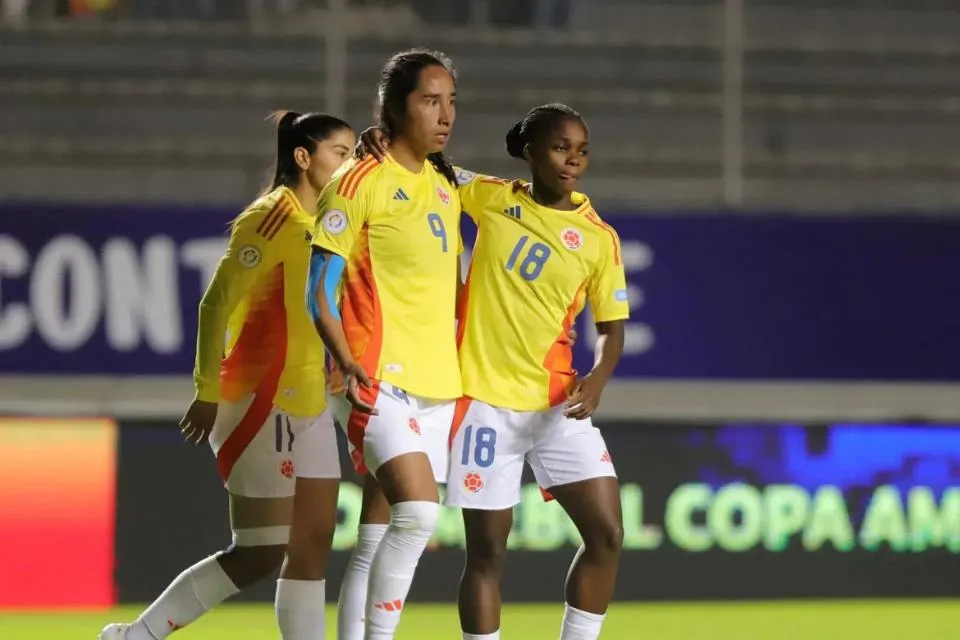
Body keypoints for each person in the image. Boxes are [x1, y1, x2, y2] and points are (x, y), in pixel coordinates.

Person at [99, 112, 356, 640]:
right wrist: (207, 390)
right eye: (339, 152)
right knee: (262, 550)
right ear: (303, 158)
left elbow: (313, 309)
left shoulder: (330, 223)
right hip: (261, 400)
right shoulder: (269, 219)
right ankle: (137, 635)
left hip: (310, 403)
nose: (349, 164)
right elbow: (216, 303)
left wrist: (334, 363)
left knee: (310, 547)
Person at [449, 104, 627, 640]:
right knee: (486, 553)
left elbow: (612, 329)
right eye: (559, 147)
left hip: (558, 402)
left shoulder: (599, 238)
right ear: (530, 151)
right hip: (483, 402)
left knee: (607, 534)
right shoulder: (490, 197)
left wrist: (597, 378)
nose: (572, 160)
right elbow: (427, 167)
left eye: (582, 151)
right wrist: (379, 143)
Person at [306, 48, 462, 640]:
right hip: (375, 376)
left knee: (375, 540)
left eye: (451, 102)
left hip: (437, 386)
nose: (445, 115)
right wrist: (344, 362)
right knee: (419, 513)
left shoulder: (447, 182)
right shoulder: (359, 181)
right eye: (430, 101)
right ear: (394, 108)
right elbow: (318, 286)